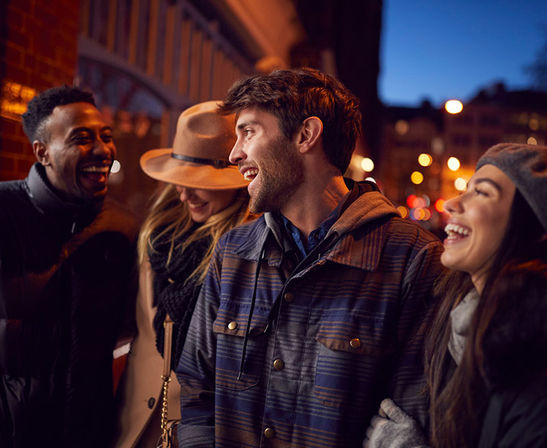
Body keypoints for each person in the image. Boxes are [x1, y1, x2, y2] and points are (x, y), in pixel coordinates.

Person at [176, 68, 444, 447]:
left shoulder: (413, 260)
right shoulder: (233, 252)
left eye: (248, 132)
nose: (235, 153)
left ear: (305, 135)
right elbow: (195, 392)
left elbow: (413, 415)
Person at [364, 143, 547, 448]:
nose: (451, 204)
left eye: (482, 192)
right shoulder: (456, 325)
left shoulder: (533, 364)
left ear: (530, 224)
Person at [0, 85, 138, 447]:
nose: (101, 149)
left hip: (88, 434)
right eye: (81, 138)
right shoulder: (4, 212)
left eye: (106, 137)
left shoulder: (125, 228)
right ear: (42, 152)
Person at [114, 101, 252, 447]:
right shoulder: (158, 237)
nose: (184, 192)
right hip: (134, 424)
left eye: (200, 181)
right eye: (180, 179)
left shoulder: (251, 253)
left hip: (204, 431)